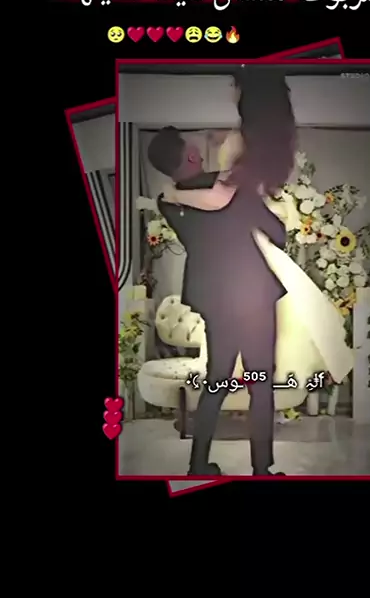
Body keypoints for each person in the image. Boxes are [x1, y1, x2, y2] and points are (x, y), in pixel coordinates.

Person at [144, 106, 288, 476]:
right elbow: (277, 234)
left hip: (215, 301)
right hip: (254, 296)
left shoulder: (169, 200)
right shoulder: (233, 187)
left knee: (216, 381)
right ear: (192, 156)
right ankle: (262, 470)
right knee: (260, 383)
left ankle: (197, 466)